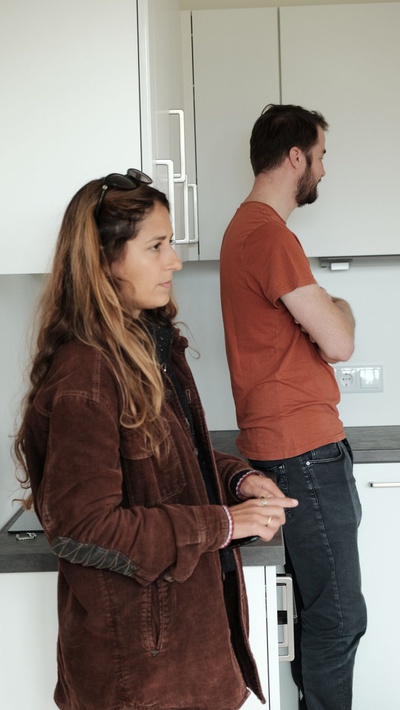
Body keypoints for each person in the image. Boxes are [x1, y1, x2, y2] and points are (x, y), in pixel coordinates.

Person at [14, 168, 298, 710]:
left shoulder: (145, 346)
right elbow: (83, 528)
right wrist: (224, 523)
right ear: (105, 260)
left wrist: (238, 479)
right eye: (157, 246)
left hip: (183, 662)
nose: (175, 261)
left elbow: (167, 458)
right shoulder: (86, 373)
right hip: (140, 680)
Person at [219, 105, 367, 710]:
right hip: (304, 450)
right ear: (296, 156)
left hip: (289, 446)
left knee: (320, 614)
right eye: (321, 156)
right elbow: (339, 341)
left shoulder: (245, 230)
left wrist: (327, 310)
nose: (324, 170)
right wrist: (337, 308)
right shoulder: (269, 235)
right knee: (338, 618)